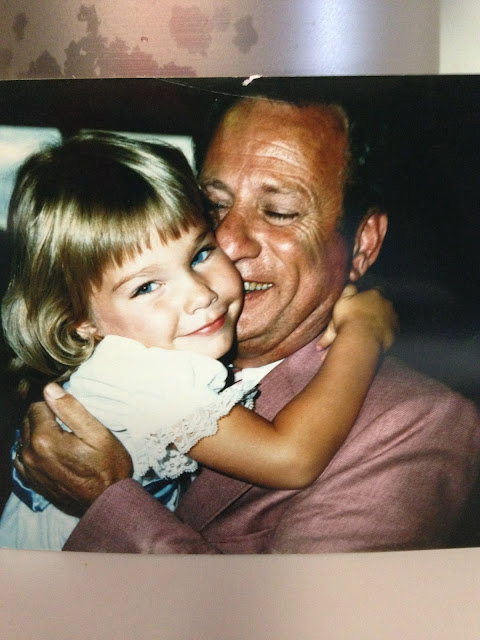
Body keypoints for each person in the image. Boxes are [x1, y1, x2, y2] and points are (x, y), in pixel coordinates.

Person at [13, 97, 480, 553]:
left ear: (363, 244)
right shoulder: (147, 362)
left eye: (279, 212)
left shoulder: (418, 423)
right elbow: (290, 457)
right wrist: (363, 333)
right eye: (214, 205)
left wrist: (107, 503)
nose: (230, 243)